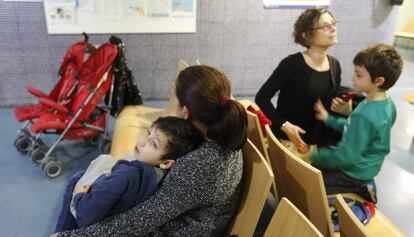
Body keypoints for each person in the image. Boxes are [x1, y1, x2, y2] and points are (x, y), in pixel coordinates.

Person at [56, 65, 248, 236]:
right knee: (87, 183)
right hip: (174, 216)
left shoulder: (199, 166)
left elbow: (139, 221)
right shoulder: (222, 135)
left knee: (83, 189)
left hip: (173, 228)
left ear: (185, 112)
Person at [54, 116, 205, 233]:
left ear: (166, 163)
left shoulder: (126, 175)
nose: (142, 141)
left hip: (87, 217)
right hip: (110, 209)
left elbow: (85, 215)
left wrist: (79, 194)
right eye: (148, 132)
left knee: (74, 181)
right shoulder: (158, 176)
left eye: (153, 143)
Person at [312, 44, 403, 203]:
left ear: (378, 81)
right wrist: (329, 119)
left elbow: (346, 158)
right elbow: (356, 127)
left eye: (359, 75)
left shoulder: (365, 115)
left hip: (353, 172)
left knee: (312, 184)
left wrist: (315, 155)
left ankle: (359, 188)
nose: (353, 79)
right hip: (368, 165)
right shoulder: (388, 104)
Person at [255, 8, 350, 158]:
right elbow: (262, 98)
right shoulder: (291, 64)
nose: (333, 28)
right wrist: (285, 126)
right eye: (325, 26)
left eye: (333, 23)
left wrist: (344, 109)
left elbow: (327, 106)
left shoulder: (335, 65)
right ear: (307, 34)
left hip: (315, 144)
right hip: (287, 142)